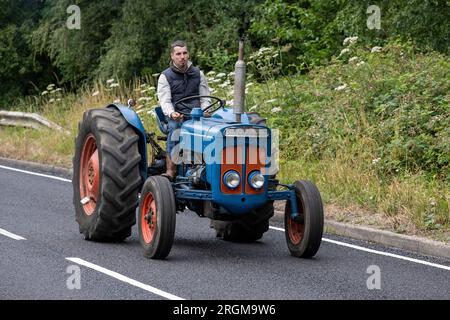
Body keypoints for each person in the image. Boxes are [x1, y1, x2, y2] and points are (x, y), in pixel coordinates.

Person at [157, 40, 211, 181]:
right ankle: (171, 169)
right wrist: (172, 113)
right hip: (177, 114)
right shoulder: (165, 76)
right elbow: (165, 101)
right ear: (172, 56)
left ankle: (205, 166)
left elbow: (205, 96)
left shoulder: (198, 73)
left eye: (184, 53)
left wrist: (205, 110)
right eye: (178, 54)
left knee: (211, 127)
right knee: (175, 129)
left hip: (196, 113)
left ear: (188, 54)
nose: (182, 56)